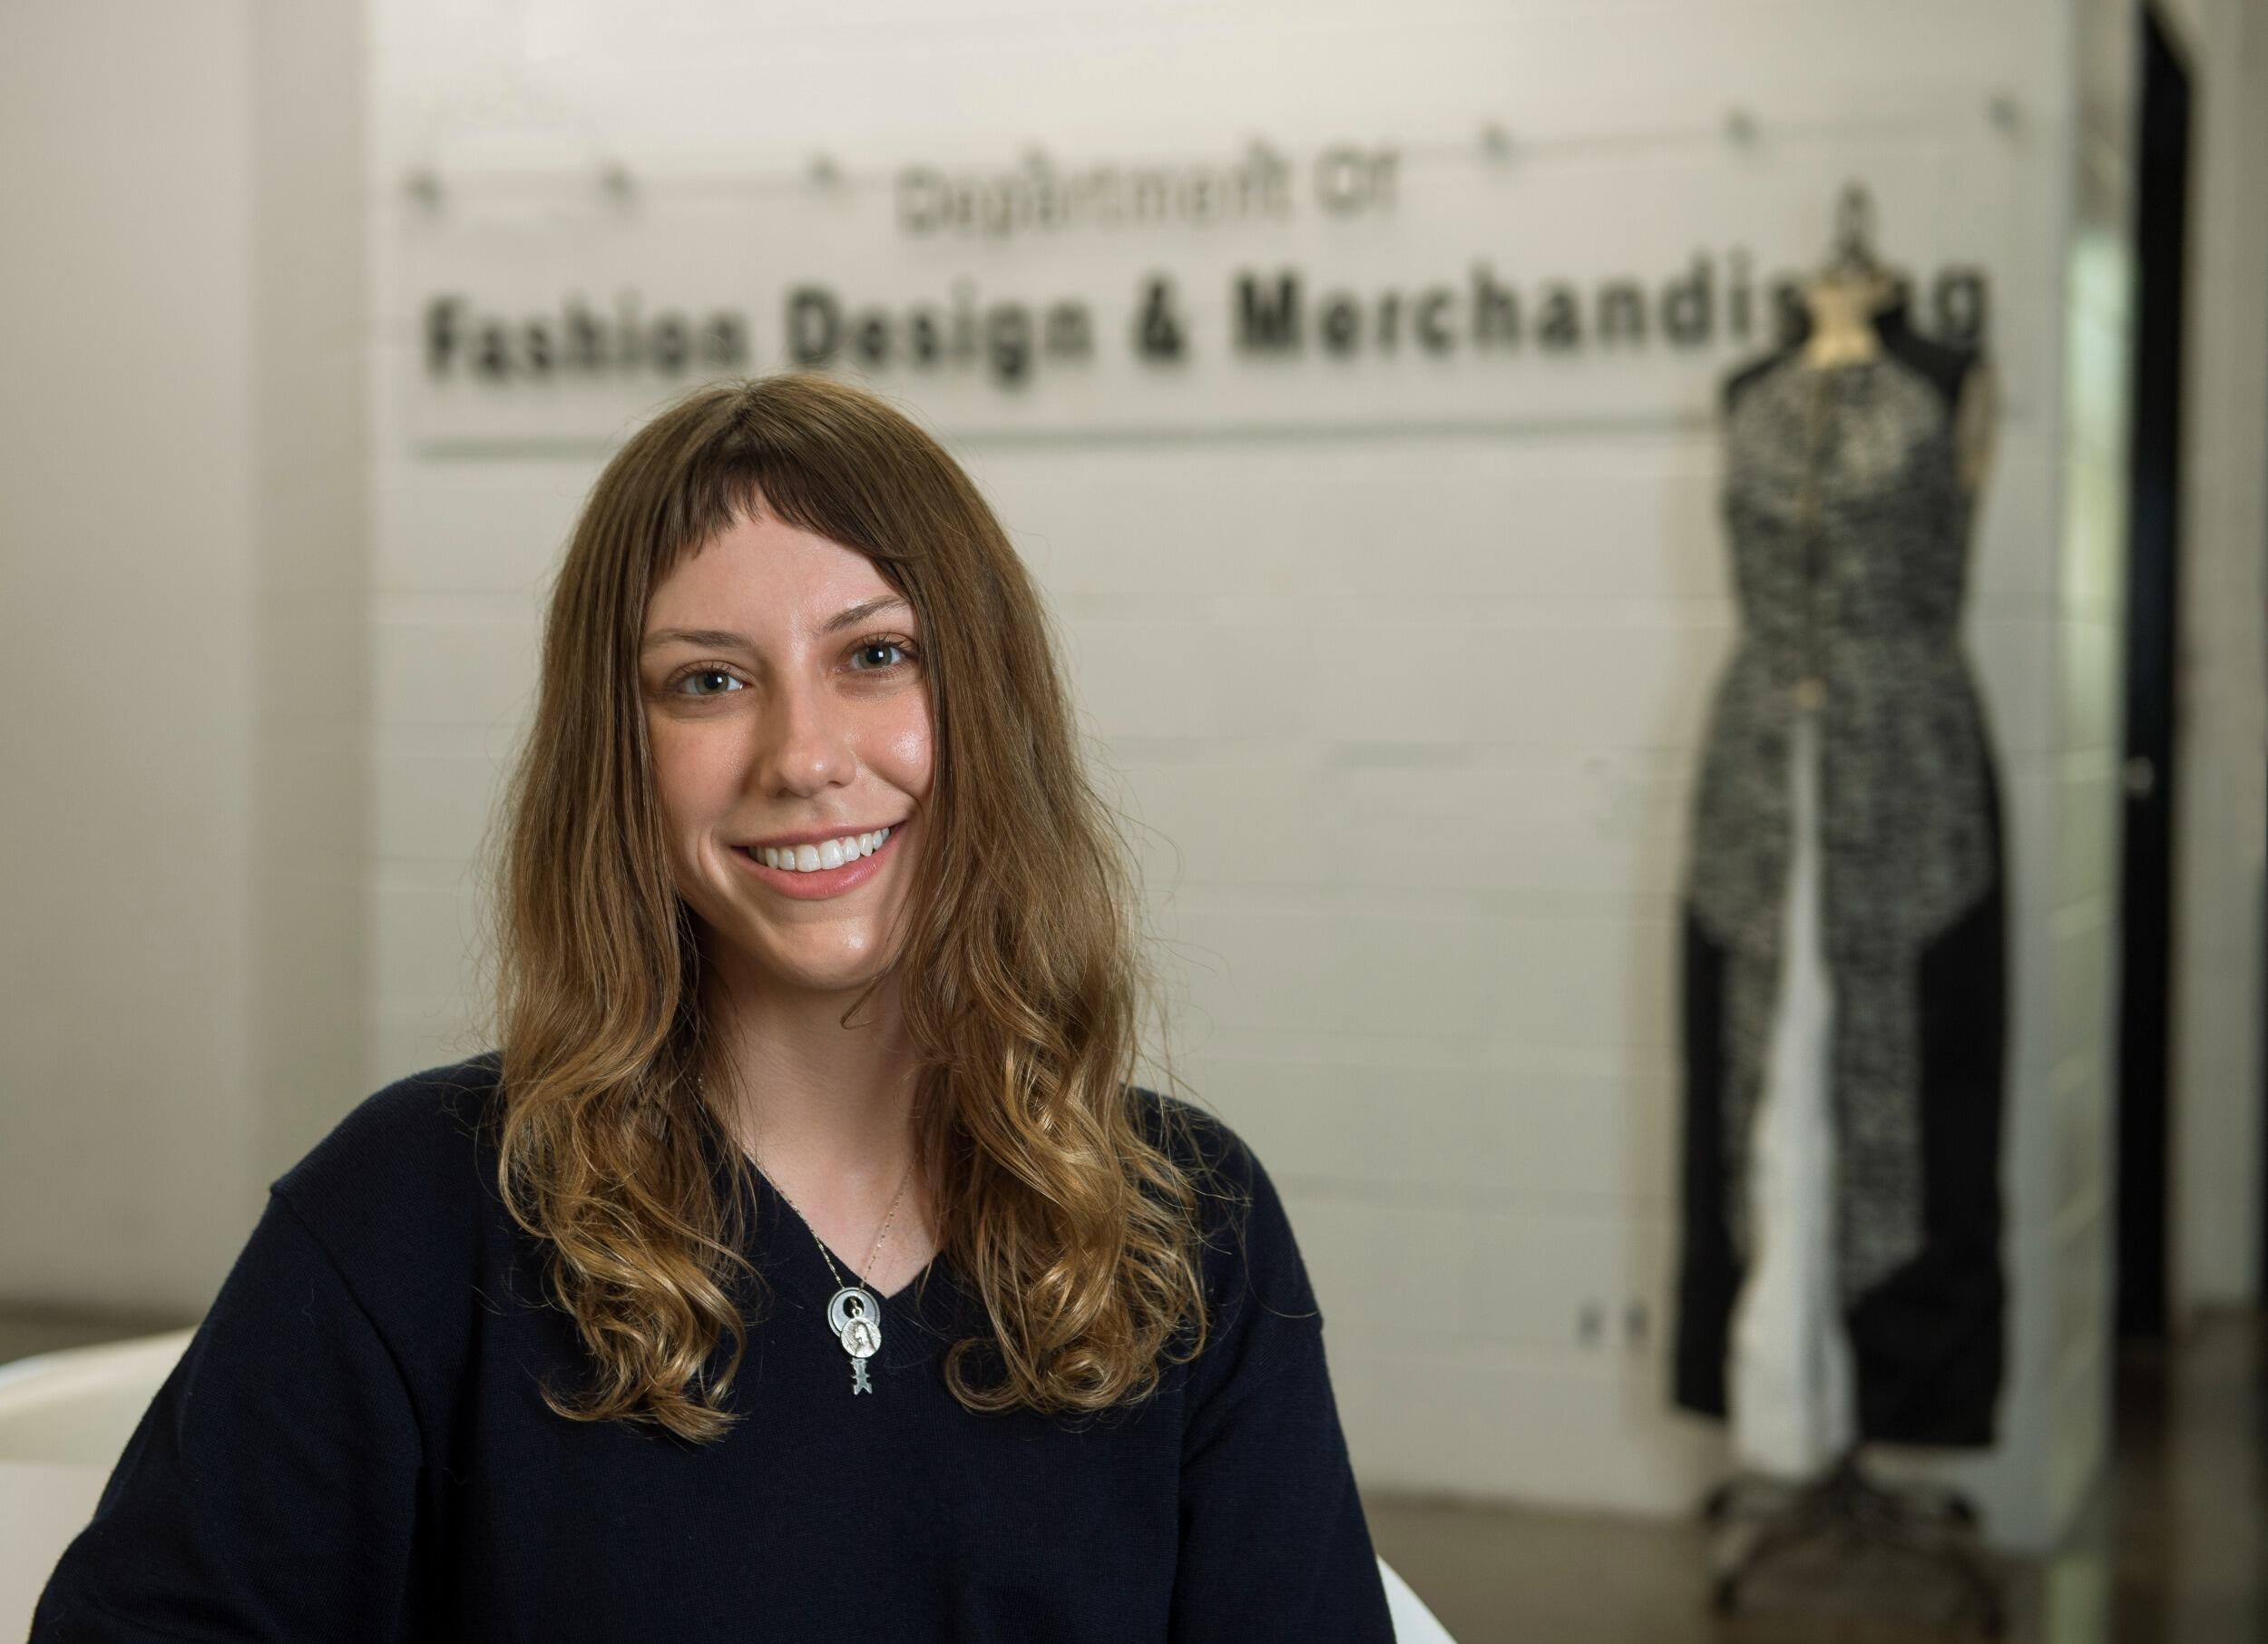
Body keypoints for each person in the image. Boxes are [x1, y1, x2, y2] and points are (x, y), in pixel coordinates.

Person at [32, 372, 1395, 1640]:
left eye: (875, 657)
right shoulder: (406, 1217)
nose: (803, 758)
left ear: (990, 704)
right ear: (617, 759)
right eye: (708, 682)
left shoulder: (1189, 1227)